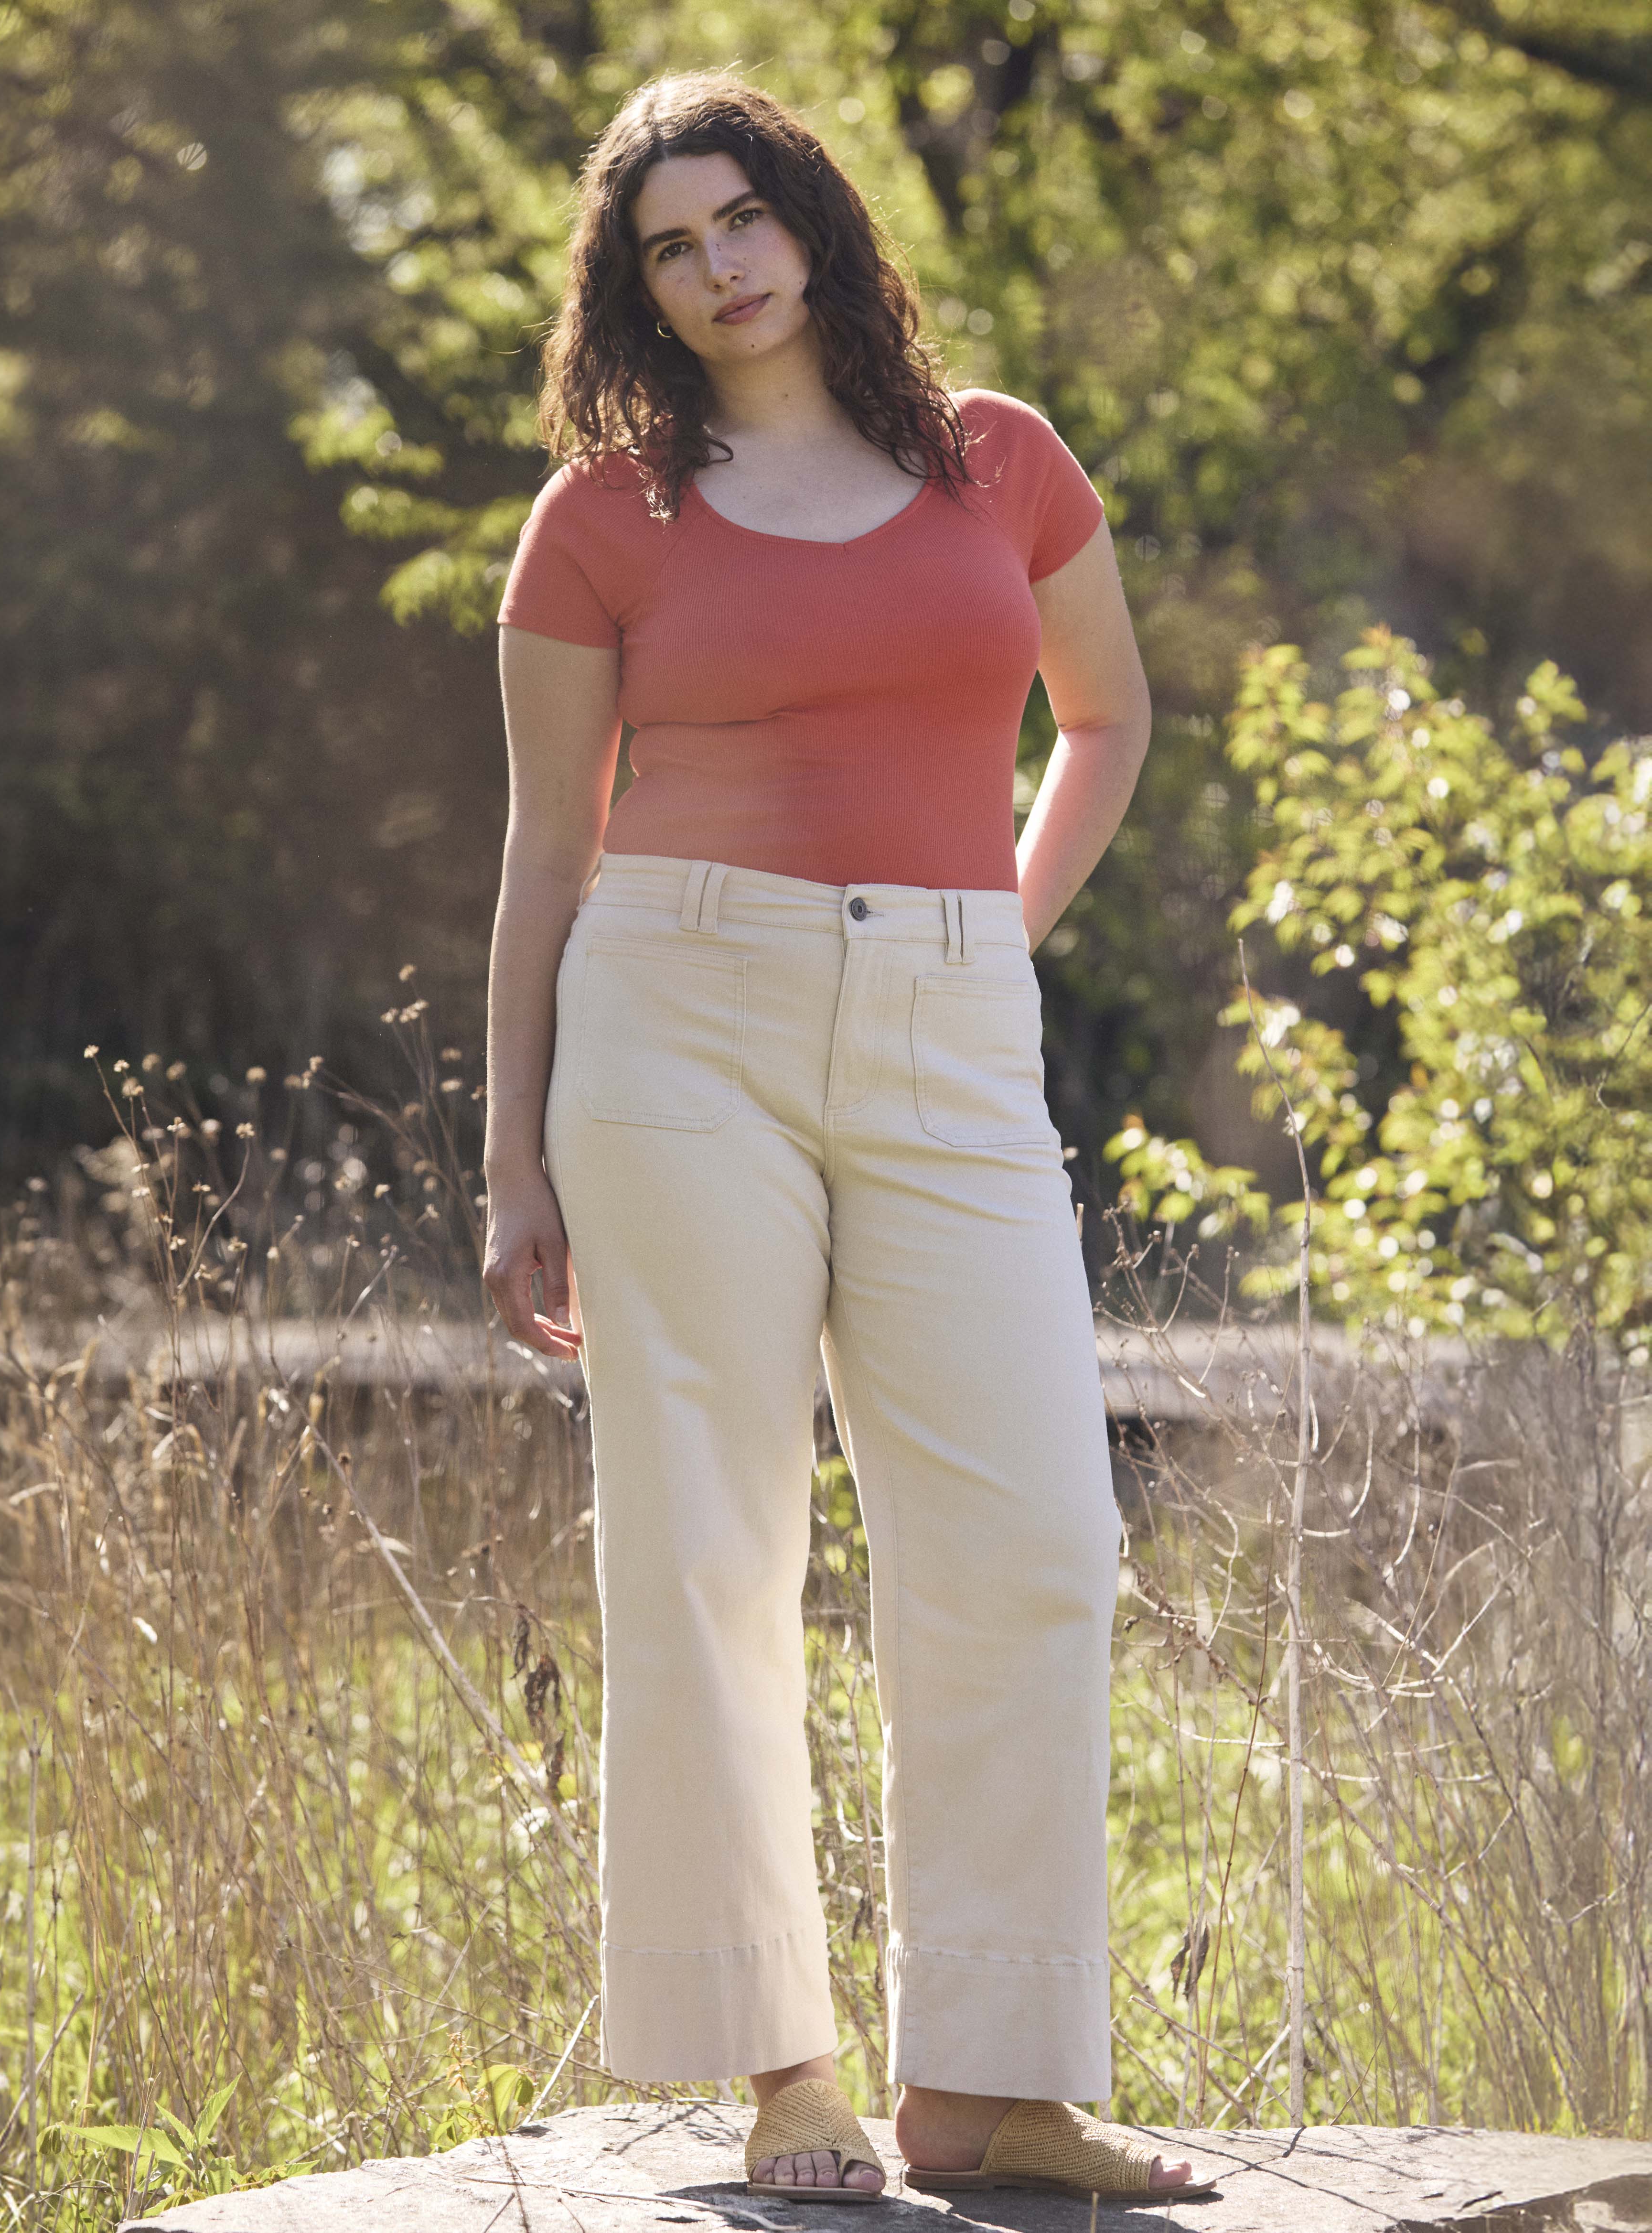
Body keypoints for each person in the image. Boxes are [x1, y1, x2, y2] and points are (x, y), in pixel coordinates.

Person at [483, 70, 1203, 2207]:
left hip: (948, 1015)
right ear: (636, 293)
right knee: (705, 1538)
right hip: (670, 1009)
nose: (714, 268)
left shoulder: (995, 458)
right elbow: (541, 852)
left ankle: (992, 2081)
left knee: (1032, 1536)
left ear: (809, 213)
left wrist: (988, 927)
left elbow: (1106, 715)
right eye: (666, 248)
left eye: (737, 220)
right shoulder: (606, 516)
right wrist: (509, 1159)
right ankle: (783, 2063)